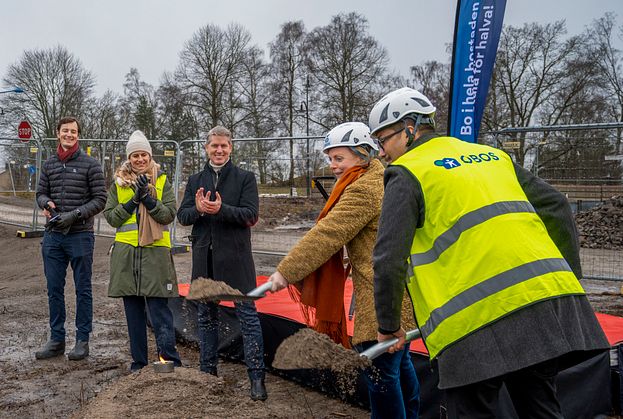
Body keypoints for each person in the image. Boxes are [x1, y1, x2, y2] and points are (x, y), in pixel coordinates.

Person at [369, 87, 610, 418]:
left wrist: (388, 324)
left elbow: (387, 259)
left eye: (383, 140)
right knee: (540, 407)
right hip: (543, 309)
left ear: (410, 127)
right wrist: (566, 278)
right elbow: (557, 205)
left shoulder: (408, 172)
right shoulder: (492, 156)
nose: (381, 152)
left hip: (473, 329)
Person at [268, 122, 420, 419]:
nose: (333, 166)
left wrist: (285, 272)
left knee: (381, 375)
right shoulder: (382, 178)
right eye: (330, 158)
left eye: (339, 158)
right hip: (401, 293)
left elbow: (328, 234)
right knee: (400, 365)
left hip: (379, 297)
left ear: (362, 154)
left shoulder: (363, 188)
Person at [177, 126, 267, 401]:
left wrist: (222, 210)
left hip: (236, 261)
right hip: (205, 261)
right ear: (206, 148)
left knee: (248, 319)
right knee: (206, 319)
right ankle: (208, 372)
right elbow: (183, 216)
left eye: (224, 146)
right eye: (214, 146)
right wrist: (199, 210)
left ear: (231, 148)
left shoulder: (245, 178)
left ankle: (256, 378)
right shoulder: (195, 180)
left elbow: (251, 215)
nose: (219, 150)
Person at [103, 130, 182, 371]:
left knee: (160, 312)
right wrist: (131, 201)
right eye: (135, 155)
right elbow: (111, 218)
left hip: (155, 255)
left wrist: (148, 200)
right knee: (134, 315)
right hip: (126, 257)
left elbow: (169, 213)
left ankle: (169, 360)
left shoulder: (161, 181)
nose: (139, 159)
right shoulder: (118, 185)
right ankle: (139, 363)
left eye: (143, 154)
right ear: (129, 158)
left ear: (150, 156)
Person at [35, 116, 107, 361]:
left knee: (82, 289)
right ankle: (56, 339)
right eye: (65, 130)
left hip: (80, 235)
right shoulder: (49, 164)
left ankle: (82, 340)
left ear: (78, 135)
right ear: (58, 133)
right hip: (53, 236)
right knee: (54, 289)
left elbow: (100, 199)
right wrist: (45, 203)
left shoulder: (90, 164)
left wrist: (76, 214)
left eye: (73, 131)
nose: (69, 134)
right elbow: (40, 192)